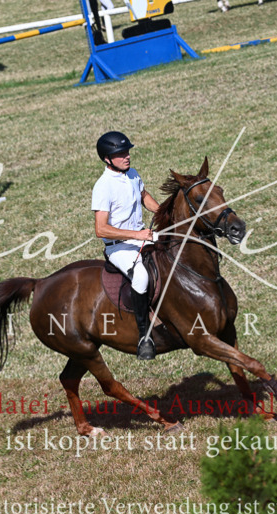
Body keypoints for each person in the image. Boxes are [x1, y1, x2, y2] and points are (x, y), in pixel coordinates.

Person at [92, 131, 161, 360]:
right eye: (120, 154)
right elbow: (100, 229)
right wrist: (137, 234)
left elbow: (144, 196)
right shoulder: (102, 187)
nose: (127, 156)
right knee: (141, 277)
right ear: (107, 159)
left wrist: (163, 213)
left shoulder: (132, 174)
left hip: (142, 236)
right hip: (119, 246)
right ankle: (144, 336)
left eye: (127, 151)